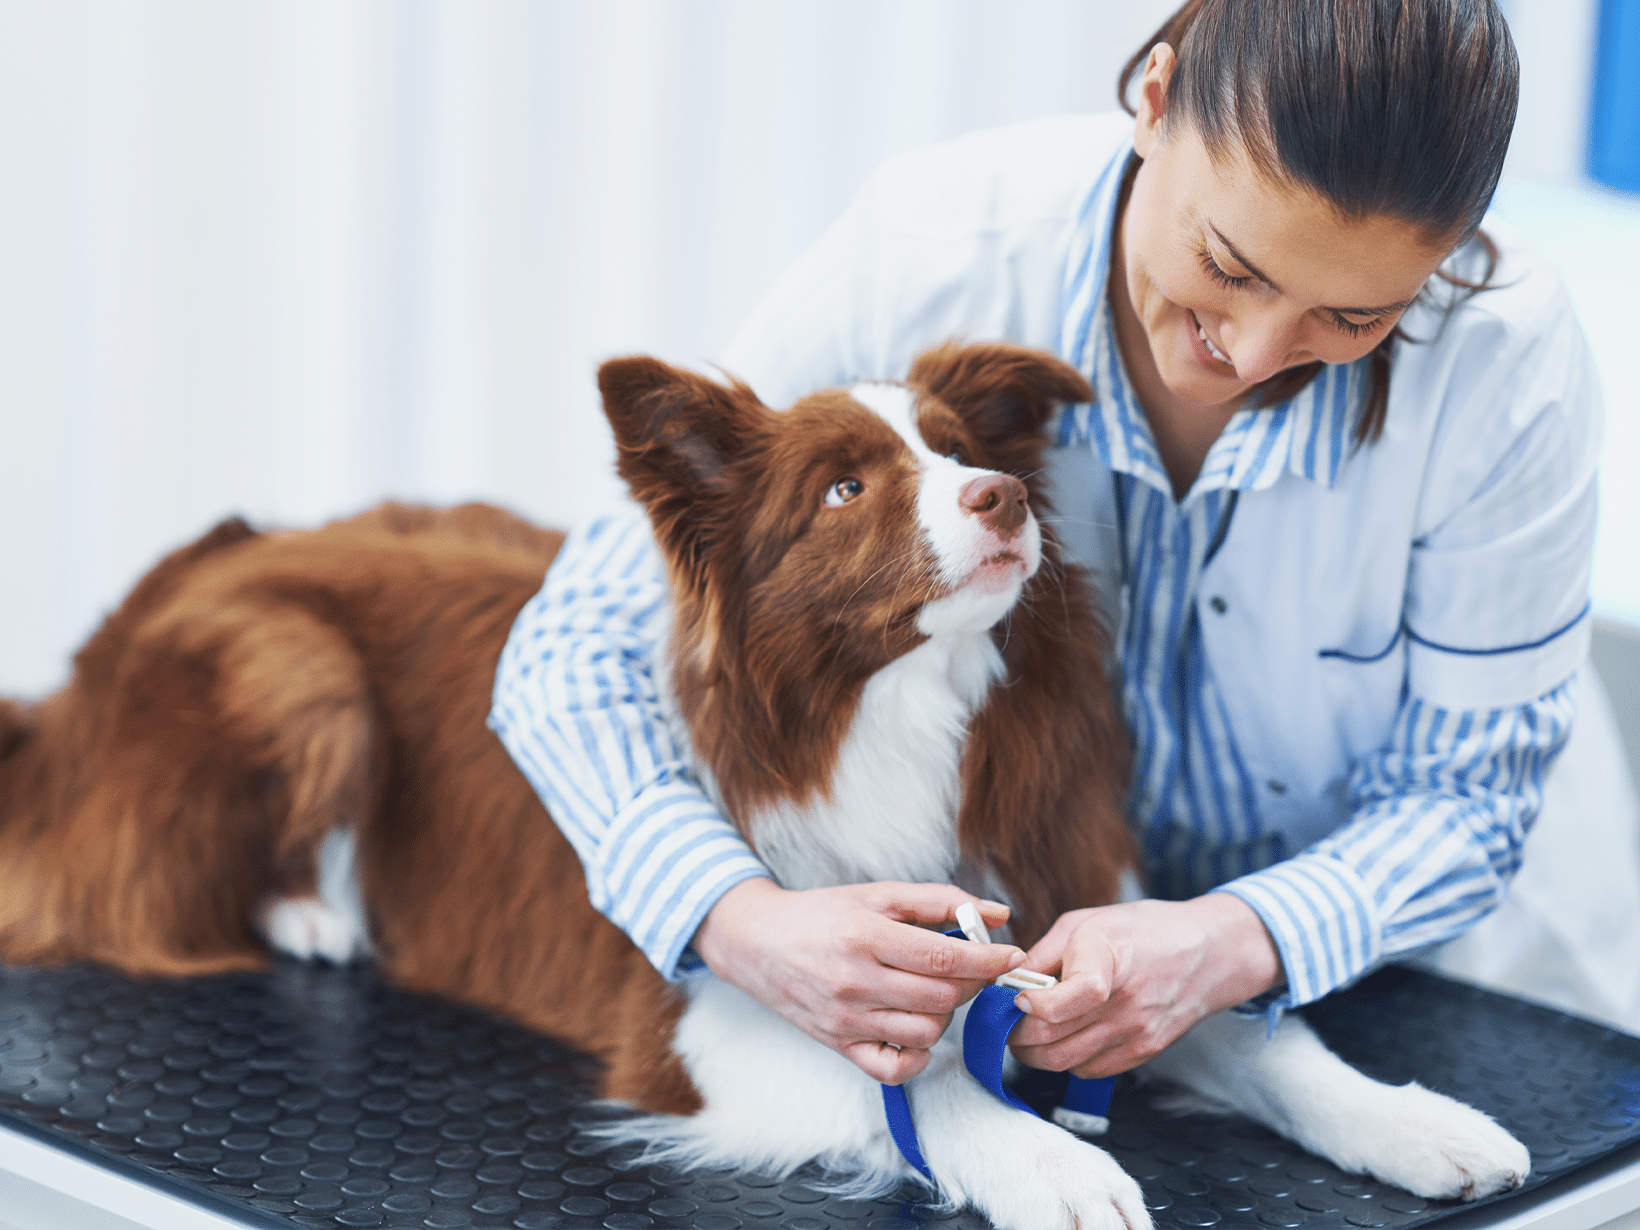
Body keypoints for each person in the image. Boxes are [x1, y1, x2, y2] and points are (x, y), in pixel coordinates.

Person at [490, 0, 1606, 1089]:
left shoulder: (1499, 367)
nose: (1260, 354)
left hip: (1429, 985)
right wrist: (739, 919)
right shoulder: (926, 250)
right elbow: (567, 658)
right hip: (1045, 948)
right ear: (1156, 102)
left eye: (1349, 320)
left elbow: (1462, 797)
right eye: (1227, 264)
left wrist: (1226, 941)